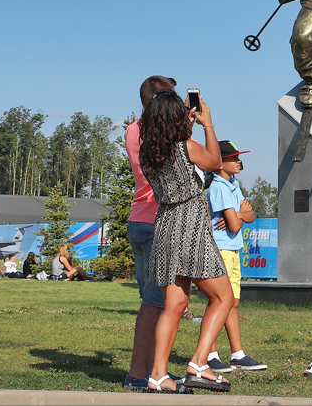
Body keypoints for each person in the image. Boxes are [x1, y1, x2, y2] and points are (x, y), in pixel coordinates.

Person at [140, 90, 234, 393]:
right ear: (175, 118)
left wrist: (184, 123)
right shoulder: (187, 147)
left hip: (166, 223)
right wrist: (207, 123)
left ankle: (158, 375)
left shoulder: (149, 153)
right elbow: (215, 161)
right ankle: (198, 363)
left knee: (175, 303)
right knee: (223, 298)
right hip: (191, 222)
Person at [123, 75, 184, 390]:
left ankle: (148, 371)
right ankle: (138, 375)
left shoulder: (133, 129)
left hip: (139, 219)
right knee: (155, 303)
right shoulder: (161, 130)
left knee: (153, 300)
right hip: (158, 220)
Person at [203, 140, 266, 373]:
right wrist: (240, 215)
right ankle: (209, 355)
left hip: (233, 249)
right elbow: (235, 224)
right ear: (219, 163)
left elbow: (250, 215)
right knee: (219, 302)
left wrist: (239, 213)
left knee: (233, 303)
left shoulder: (233, 185)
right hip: (220, 250)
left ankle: (238, 355)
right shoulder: (219, 187)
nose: (239, 161)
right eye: (234, 157)